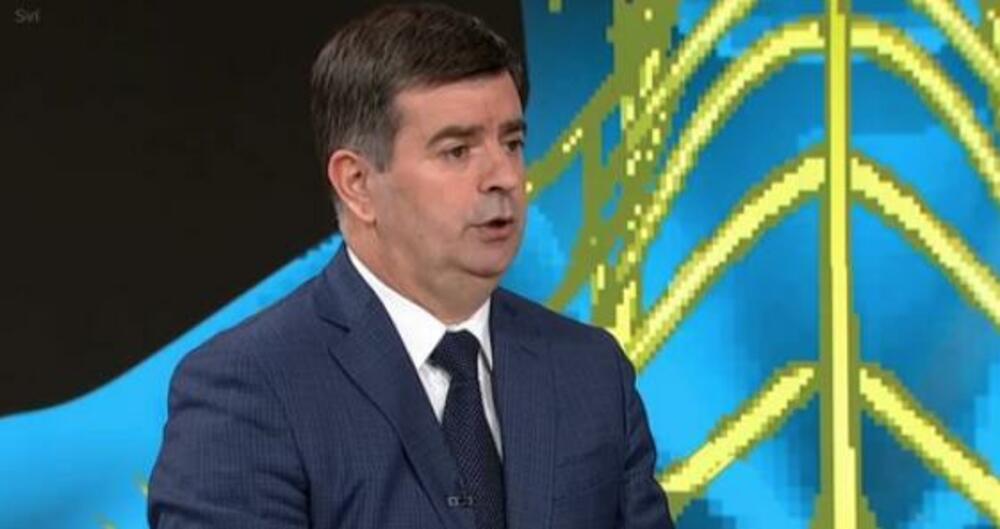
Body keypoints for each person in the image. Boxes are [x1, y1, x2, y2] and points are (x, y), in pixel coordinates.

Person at [147, 4, 675, 528]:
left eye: (512, 143)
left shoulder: (590, 371)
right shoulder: (249, 390)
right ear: (357, 184)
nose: (505, 177)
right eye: (457, 150)